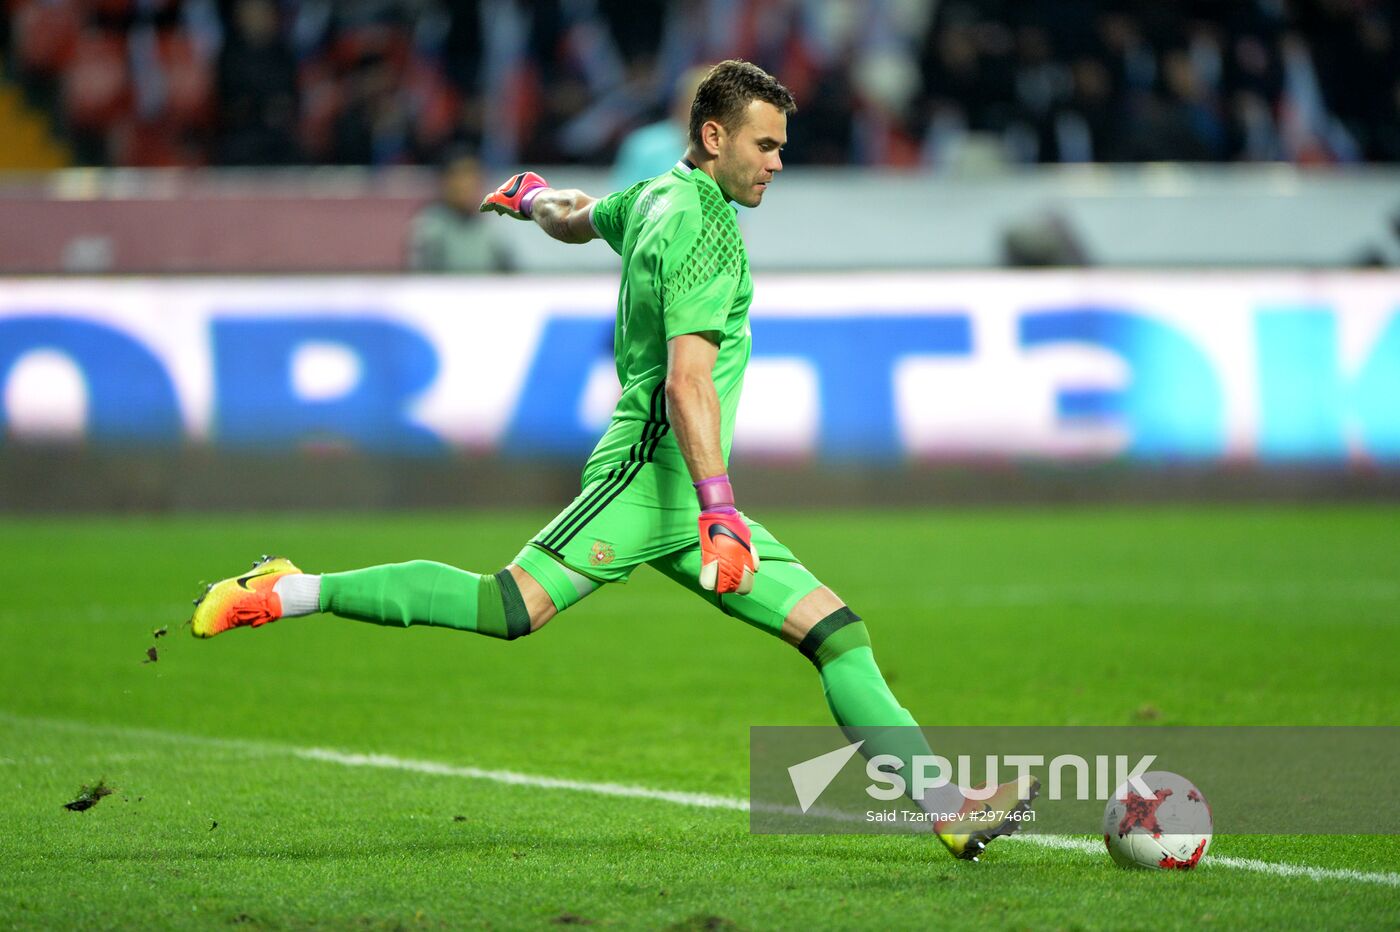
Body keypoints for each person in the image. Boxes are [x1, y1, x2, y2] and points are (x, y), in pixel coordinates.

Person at [188, 59, 1036, 861]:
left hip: (686, 491)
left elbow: (573, 216)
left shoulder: (654, 196)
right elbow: (686, 385)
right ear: (714, 137)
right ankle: (288, 589)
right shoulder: (709, 233)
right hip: (650, 476)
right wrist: (717, 510)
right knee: (506, 608)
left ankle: (947, 811)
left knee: (839, 636)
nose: (778, 162)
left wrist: (528, 199)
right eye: (765, 144)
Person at [407, 152, 514, 273]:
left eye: (472, 176)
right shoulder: (428, 228)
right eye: (459, 176)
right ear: (444, 181)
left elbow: (510, 278)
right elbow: (419, 280)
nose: (466, 184)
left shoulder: (495, 228)